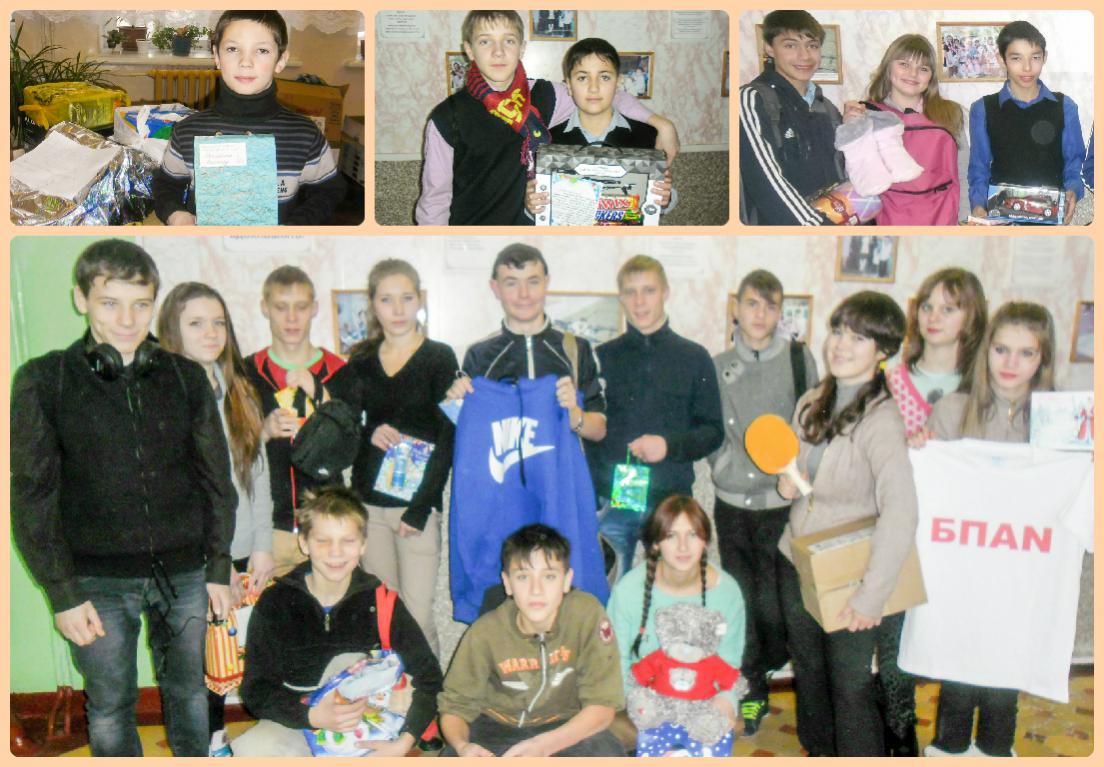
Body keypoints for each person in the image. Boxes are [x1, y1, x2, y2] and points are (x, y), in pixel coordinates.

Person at [11, 240, 237, 756]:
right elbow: (33, 496)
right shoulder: (44, 381)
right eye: (110, 303)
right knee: (111, 706)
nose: (127, 320)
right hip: (95, 583)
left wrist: (219, 565)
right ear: (81, 299)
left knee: (190, 694)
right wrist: (62, 593)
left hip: (185, 573)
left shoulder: (186, 378)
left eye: (140, 304)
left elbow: (215, 480)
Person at [775, 291, 918, 757]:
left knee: (849, 688)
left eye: (858, 338)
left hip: (849, 574)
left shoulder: (883, 419)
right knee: (810, 677)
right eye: (838, 331)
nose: (840, 344)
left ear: (882, 351)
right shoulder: (811, 400)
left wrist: (872, 595)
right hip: (797, 561)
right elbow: (797, 471)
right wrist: (788, 483)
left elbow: (901, 510)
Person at [911, 302, 1056, 757]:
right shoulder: (952, 410)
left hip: (1022, 573)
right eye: (1001, 349)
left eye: (1026, 353)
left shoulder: (1059, 421)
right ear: (986, 350)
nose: (1011, 363)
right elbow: (924, 491)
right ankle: (949, 750)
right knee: (958, 675)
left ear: (1043, 359)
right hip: (963, 571)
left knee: (1003, 682)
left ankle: (996, 752)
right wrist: (921, 451)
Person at [445, 243, 608, 622]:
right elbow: (468, 434)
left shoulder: (575, 350)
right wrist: (456, 401)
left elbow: (599, 428)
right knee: (504, 615)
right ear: (495, 288)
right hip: (502, 505)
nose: (523, 294)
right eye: (511, 282)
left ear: (546, 283)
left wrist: (575, 415)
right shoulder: (480, 355)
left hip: (559, 497)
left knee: (568, 610)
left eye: (532, 281)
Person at [232, 485, 442, 757]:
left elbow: (429, 678)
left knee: (350, 661)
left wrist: (403, 743)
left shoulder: (381, 602)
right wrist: (311, 715)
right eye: (323, 541)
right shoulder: (276, 602)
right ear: (304, 543)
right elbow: (256, 690)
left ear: (363, 545)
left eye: (348, 541)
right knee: (251, 749)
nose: (336, 552)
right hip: (299, 724)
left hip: (364, 732)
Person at [415, 10, 679, 225]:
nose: (498, 52)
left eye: (509, 41)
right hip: (473, 237)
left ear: (522, 48)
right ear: (469, 50)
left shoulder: (547, 96)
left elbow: (599, 94)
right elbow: (435, 201)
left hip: (539, 234)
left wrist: (662, 125)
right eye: (485, 41)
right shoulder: (447, 117)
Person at [156, 282, 275, 756]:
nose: (210, 332)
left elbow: (257, 474)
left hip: (242, 546)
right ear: (173, 330)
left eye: (218, 322)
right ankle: (203, 744)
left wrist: (262, 545)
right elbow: (180, 492)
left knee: (231, 650)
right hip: (198, 556)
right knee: (198, 661)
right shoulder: (166, 397)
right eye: (196, 323)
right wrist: (215, 564)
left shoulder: (238, 390)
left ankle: (217, 736)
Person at [327, 260, 458, 656]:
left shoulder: (439, 357)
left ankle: (428, 693)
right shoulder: (361, 361)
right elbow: (345, 428)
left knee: (416, 617)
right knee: (382, 615)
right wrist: (369, 432)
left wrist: (420, 508)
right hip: (369, 505)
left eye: (406, 298)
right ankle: (390, 691)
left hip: (414, 510)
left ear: (420, 300)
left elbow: (447, 438)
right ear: (373, 305)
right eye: (387, 300)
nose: (398, 309)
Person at [707, 269, 818, 736]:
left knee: (779, 607)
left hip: (783, 506)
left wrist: (793, 475)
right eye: (752, 303)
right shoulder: (716, 365)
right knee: (744, 604)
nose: (760, 314)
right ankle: (752, 692)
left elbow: (812, 423)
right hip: (733, 506)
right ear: (736, 308)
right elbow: (712, 431)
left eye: (771, 306)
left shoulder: (798, 359)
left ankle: (773, 666)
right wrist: (725, 468)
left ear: (780, 313)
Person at [587, 256, 723, 580]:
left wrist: (668, 446)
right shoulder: (601, 358)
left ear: (665, 293)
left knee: (669, 594)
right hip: (613, 501)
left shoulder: (695, 357)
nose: (639, 301)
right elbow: (589, 432)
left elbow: (713, 431)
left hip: (671, 500)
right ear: (620, 297)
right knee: (610, 593)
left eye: (648, 290)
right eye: (630, 292)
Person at [438, 523, 625, 756]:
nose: (536, 590)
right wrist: (462, 745)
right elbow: (454, 708)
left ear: (567, 580)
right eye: (523, 577)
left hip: (564, 726)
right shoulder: (484, 632)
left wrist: (543, 746)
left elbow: (603, 705)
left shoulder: (587, 616)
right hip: (494, 727)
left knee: (607, 752)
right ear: (507, 583)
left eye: (549, 576)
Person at [154, 10, 345, 225]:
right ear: (217, 56)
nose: (246, 62)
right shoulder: (187, 131)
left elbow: (328, 191)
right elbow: (165, 186)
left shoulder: (304, 135)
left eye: (262, 50)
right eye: (233, 49)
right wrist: (176, 215)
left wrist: (296, 226)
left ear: (281, 60)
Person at [606, 496, 746, 746]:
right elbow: (617, 660)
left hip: (702, 701)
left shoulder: (727, 591)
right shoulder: (628, 590)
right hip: (646, 698)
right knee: (611, 726)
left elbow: (730, 661)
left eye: (692, 535)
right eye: (671, 536)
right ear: (656, 544)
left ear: (705, 540)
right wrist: (638, 702)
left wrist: (726, 701)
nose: (683, 547)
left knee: (732, 724)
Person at [247, 266, 345, 577]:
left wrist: (322, 399)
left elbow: (349, 444)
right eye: (281, 307)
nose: (291, 318)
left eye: (300, 307)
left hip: (326, 525)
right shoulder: (247, 372)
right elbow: (229, 449)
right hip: (267, 530)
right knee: (266, 608)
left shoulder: (339, 371)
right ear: (265, 308)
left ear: (314, 308)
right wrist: (263, 432)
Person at [525, 37, 675, 218]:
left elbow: (663, 197)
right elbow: (541, 208)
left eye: (604, 77)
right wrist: (531, 205)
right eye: (582, 78)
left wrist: (666, 198)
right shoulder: (549, 140)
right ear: (569, 86)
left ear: (617, 83)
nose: (594, 87)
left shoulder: (647, 136)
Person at [967, 21, 1085, 225]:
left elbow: (1073, 163)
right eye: (1016, 58)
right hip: (1002, 219)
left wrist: (1073, 191)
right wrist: (978, 205)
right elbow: (979, 168)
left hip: (1050, 217)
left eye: (1035, 57)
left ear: (1044, 58)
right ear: (1002, 59)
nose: (1027, 67)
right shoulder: (983, 109)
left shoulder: (1064, 106)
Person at [841, 34, 968, 224]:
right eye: (904, 64)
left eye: (923, 68)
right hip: (886, 222)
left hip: (943, 221)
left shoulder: (950, 113)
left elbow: (963, 173)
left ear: (931, 76)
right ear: (888, 68)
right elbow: (855, 178)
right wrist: (851, 130)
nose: (913, 74)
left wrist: (965, 220)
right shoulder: (866, 114)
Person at [739, 10, 844, 225]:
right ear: (769, 48)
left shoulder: (827, 108)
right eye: (790, 45)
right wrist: (820, 228)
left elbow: (841, 176)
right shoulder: (752, 99)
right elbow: (766, 183)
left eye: (812, 45)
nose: (805, 56)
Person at [887, 268, 988, 437]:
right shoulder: (890, 384)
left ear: (971, 317)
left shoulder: (983, 385)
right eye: (927, 307)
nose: (933, 318)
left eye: (947, 309)